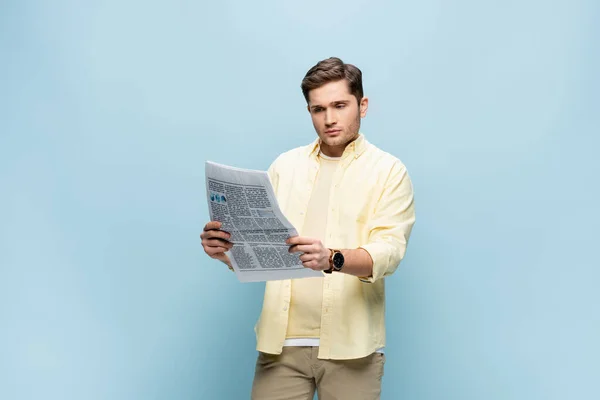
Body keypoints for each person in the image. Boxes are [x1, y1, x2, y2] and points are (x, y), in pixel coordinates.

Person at [200, 57, 416, 400]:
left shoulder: (389, 171)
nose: (329, 119)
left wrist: (332, 258)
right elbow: (265, 250)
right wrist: (226, 252)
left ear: (363, 105)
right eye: (318, 109)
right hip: (280, 347)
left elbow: (389, 253)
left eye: (340, 105)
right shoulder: (285, 166)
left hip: (352, 350)